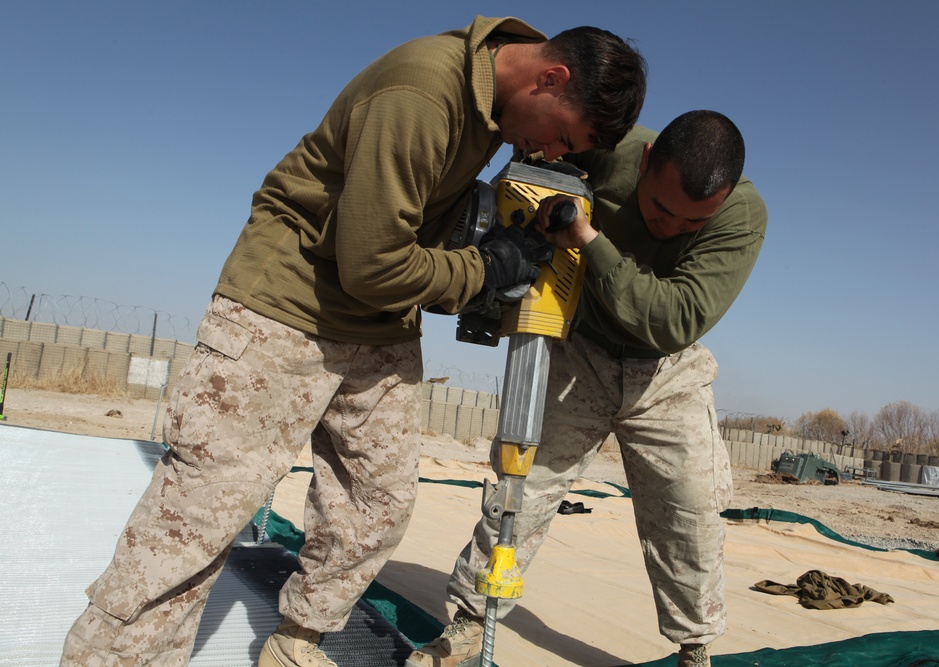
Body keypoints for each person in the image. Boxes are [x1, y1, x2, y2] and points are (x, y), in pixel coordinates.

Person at [60, 16, 646, 667]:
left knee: (376, 500)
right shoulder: (424, 92)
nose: (550, 152)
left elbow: (415, 240)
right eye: (560, 135)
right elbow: (373, 262)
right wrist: (486, 269)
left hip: (378, 323)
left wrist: (519, 237)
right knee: (200, 513)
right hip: (288, 305)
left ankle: (297, 641)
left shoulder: (497, 110)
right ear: (550, 77)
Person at [405, 110, 767, 667]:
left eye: (693, 222)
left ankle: (695, 649)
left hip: (667, 371)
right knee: (521, 489)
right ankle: (469, 625)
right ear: (645, 163)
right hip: (581, 350)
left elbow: (674, 319)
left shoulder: (743, 213)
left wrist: (588, 240)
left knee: (689, 514)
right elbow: (527, 161)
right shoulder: (612, 150)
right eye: (660, 208)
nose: (671, 227)